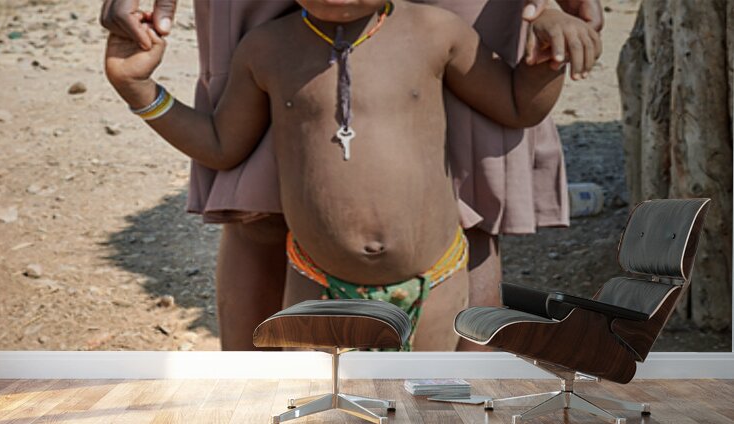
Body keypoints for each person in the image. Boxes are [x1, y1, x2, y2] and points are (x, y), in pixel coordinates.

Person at [100, 0, 603, 351]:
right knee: (315, 405)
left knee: (434, 405)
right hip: (315, 284)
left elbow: (516, 105)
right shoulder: (266, 50)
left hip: (436, 283)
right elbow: (219, 146)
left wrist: (544, 62)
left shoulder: (436, 32)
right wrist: (138, 88)